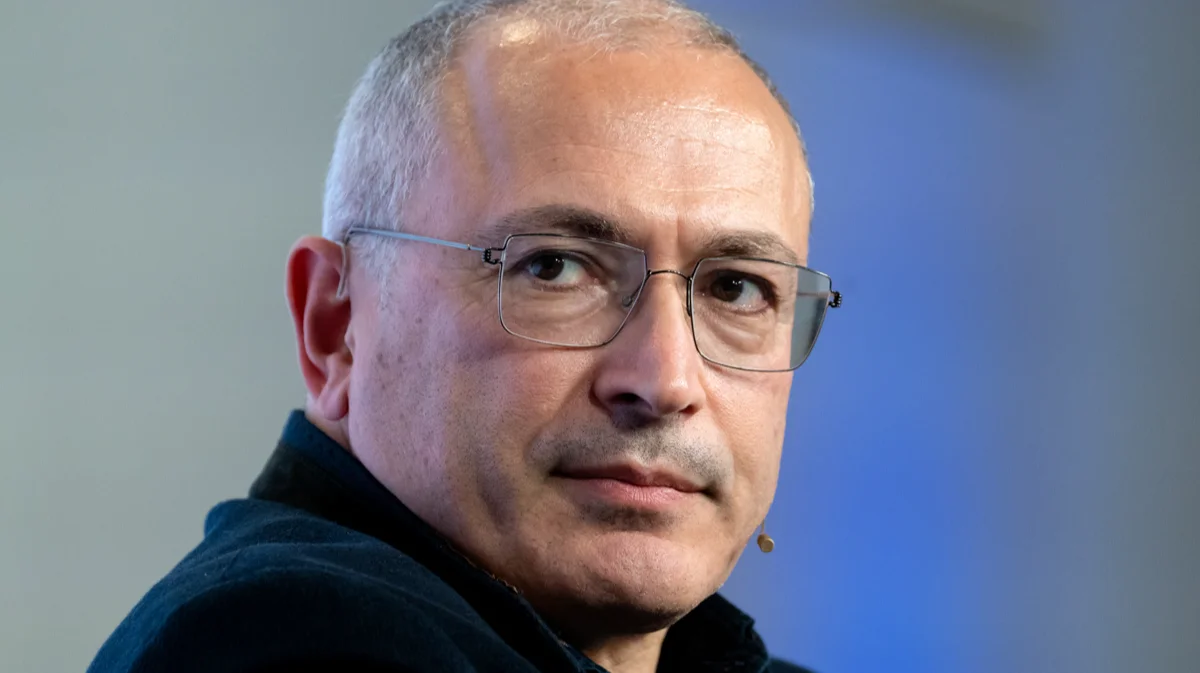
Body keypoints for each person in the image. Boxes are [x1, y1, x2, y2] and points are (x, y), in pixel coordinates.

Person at [88, 0, 842, 671]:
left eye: (737, 288)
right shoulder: (291, 639)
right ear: (335, 327)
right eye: (554, 268)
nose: (666, 380)